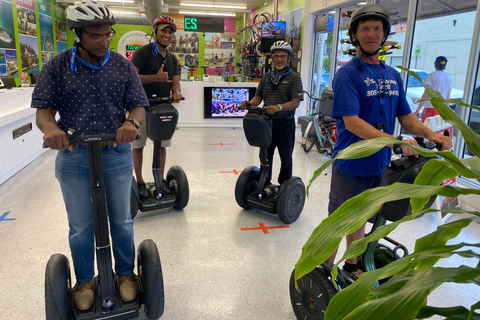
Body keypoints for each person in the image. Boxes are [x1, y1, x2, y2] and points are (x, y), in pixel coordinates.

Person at [31, 0, 148, 310]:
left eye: (107, 34)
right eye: (95, 36)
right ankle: (84, 280)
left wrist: (130, 122)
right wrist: (51, 130)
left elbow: (138, 106)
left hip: (115, 151)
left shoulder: (123, 65)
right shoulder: (56, 66)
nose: (104, 41)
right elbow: (44, 113)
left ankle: (125, 274)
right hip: (74, 156)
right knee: (80, 224)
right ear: (78, 34)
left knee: (122, 220)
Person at [326, 4, 452, 281]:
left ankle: (351, 265)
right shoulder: (348, 74)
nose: (371, 34)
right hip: (352, 162)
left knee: (361, 218)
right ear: (355, 36)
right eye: (365, 29)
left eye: (377, 29)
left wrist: (430, 135)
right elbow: (352, 122)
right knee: (339, 221)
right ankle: (320, 271)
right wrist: (394, 141)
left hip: (381, 163)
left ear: (384, 36)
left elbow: (405, 116)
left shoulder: (392, 75)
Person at [130, 16, 182, 199]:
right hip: (141, 107)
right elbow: (131, 78)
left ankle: (159, 180)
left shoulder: (172, 58)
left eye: (170, 32)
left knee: (161, 145)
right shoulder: (143, 53)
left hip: (162, 107)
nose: (167, 35)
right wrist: (155, 78)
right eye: (164, 31)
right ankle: (140, 182)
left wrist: (176, 92)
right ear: (156, 31)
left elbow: (175, 82)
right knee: (138, 145)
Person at [240, 40, 303, 186]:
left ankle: (284, 187)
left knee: (286, 158)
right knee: (265, 156)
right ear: (272, 59)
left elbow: (296, 102)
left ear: (288, 58)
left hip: (285, 124)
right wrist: (249, 103)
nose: (279, 59)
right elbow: (258, 98)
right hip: (267, 124)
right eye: (276, 56)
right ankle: (264, 183)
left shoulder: (294, 78)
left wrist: (278, 107)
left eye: (282, 56)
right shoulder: (266, 77)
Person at [413, 56, 452, 122]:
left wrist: (417, 110)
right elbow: (448, 97)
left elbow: (426, 94)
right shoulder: (449, 78)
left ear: (435, 64)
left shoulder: (431, 75)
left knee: (426, 129)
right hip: (443, 110)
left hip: (431, 108)